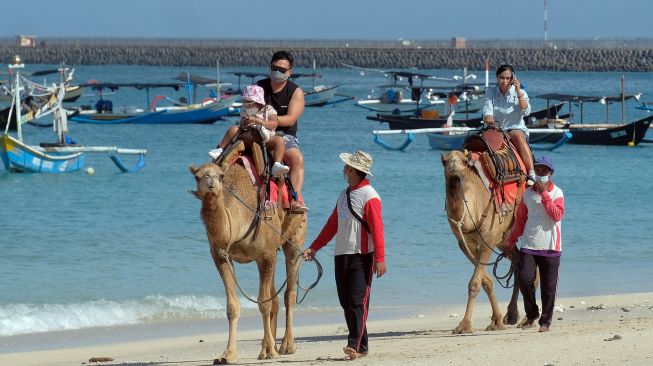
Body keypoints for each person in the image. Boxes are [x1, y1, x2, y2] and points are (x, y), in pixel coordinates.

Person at [303, 150, 386, 360]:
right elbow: (332, 225)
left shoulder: (371, 196)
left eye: (346, 166)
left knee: (358, 301)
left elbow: (377, 229)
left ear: (351, 170)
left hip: (362, 256)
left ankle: (353, 345)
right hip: (341, 255)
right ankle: (363, 344)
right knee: (346, 303)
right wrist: (314, 247)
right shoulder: (344, 194)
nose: (343, 169)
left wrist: (380, 258)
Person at [504, 155, 565, 333]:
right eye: (537, 170)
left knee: (548, 288)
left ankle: (545, 322)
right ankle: (532, 314)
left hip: (551, 247)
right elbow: (521, 220)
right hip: (529, 246)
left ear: (550, 173)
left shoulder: (557, 193)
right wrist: (511, 241)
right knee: (524, 279)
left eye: (544, 171)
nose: (540, 173)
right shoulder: (527, 194)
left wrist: (545, 195)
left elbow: (557, 215)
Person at [256, 50, 307, 213]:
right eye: (274, 68)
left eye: (282, 70)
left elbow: (291, 118)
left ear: (289, 73)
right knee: (232, 146)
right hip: (259, 129)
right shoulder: (259, 86)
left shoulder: (295, 92)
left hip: (284, 134)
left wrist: (272, 121)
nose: (277, 72)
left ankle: (295, 198)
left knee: (297, 158)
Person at [208, 85, 290, 177]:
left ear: (258, 103)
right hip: (247, 135)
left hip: (265, 136)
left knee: (279, 140)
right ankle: (221, 149)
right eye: (245, 103)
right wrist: (245, 122)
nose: (247, 106)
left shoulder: (268, 110)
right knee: (233, 129)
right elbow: (242, 122)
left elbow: (274, 123)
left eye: (249, 103)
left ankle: (277, 164)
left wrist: (260, 121)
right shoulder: (244, 110)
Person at [482, 64, 536, 183]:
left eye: (508, 78)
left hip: (514, 127)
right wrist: (488, 116)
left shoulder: (521, 92)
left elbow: (526, 112)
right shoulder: (490, 91)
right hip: (495, 128)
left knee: (518, 136)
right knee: (476, 141)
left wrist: (518, 92)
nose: (504, 81)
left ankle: (531, 173)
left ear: (513, 79)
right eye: (502, 78)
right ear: (497, 78)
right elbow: (487, 108)